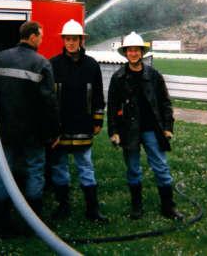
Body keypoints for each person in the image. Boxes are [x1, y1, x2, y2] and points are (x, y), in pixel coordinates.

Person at [0, 21, 60, 235]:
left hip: (4, 130)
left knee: (4, 171)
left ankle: (0, 222)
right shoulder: (42, 64)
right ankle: (34, 222)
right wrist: (54, 132)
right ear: (31, 36)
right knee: (35, 170)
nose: (41, 40)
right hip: (33, 132)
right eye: (40, 36)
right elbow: (49, 102)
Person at [107, 31, 183, 220]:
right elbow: (112, 108)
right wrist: (114, 132)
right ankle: (137, 207)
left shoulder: (154, 75)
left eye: (136, 50)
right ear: (126, 53)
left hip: (152, 129)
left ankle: (168, 207)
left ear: (142, 52)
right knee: (133, 168)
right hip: (129, 130)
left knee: (161, 167)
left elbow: (165, 103)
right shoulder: (118, 78)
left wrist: (167, 127)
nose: (133, 53)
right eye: (130, 50)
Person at [49, 19, 107, 222]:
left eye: (74, 39)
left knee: (86, 166)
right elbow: (48, 97)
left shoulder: (91, 65)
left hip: (83, 124)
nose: (71, 43)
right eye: (67, 39)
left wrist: (98, 119)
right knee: (59, 168)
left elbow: (98, 94)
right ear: (63, 40)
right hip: (60, 127)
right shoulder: (53, 64)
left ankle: (93, 210)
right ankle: (63, 207)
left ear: (81, 40)